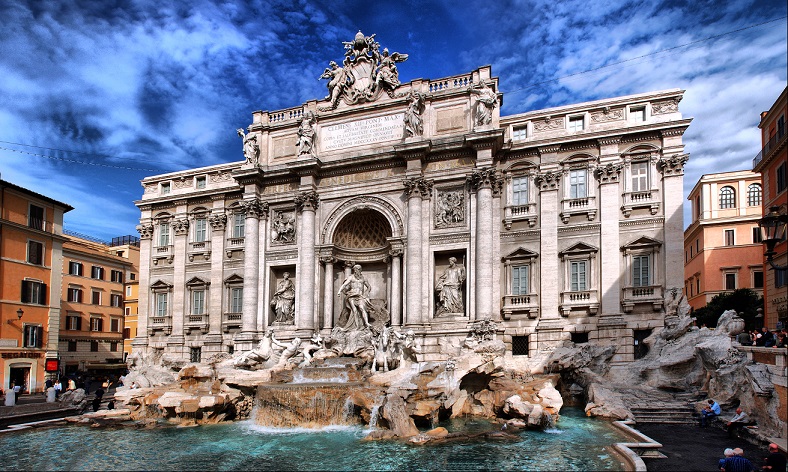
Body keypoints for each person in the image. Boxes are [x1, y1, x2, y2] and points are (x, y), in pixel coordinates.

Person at [337, 264, 373, 330]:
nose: (359, 270)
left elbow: (369, 287)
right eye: (357, 269)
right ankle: (356, 326)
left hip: (360, 296)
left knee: (362, 308)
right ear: (355, 270)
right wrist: (339, 291)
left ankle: (366, 323)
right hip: (352, 296)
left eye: (360, 269)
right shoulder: (351, 277)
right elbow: (344, 285)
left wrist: (366, 293)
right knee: (354, 310)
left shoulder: (364, 278)